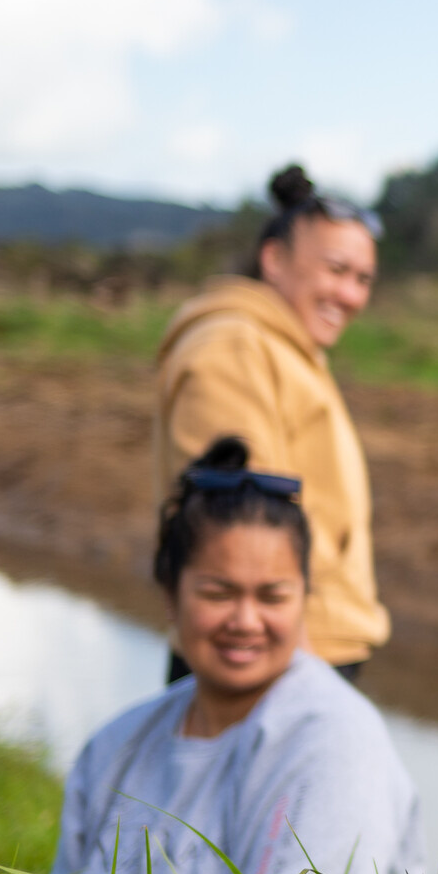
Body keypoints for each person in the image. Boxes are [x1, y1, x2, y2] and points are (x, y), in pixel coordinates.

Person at [25, 438, 424, 874]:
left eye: (273, 596)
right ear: (170, 595)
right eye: (218, 592)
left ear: (304, 598)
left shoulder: (336, 741)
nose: (245, 620)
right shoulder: (116, 746)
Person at [155, 164, 389, 682]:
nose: (349, 294)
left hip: (306, 643)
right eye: (335, 269)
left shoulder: (287, 349)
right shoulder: (234, 347)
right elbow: (244, 526)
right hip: (269, 654)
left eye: (362, 279)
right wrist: (296, 679)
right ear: (274, 260)